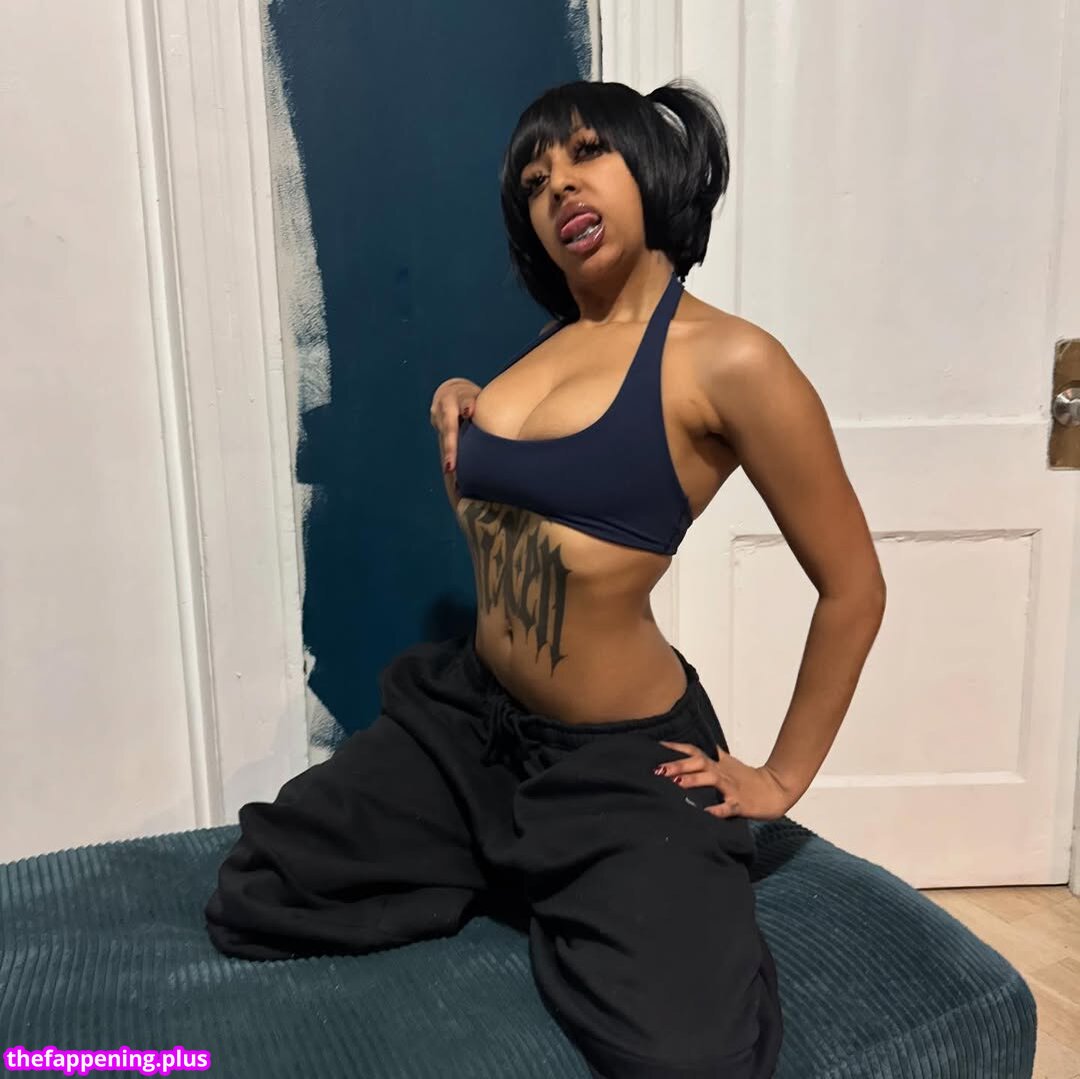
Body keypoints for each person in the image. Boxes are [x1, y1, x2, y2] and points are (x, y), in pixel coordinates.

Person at [205, 77, 886, 1079]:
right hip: (471, 723)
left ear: (649, 166)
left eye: (585, 153)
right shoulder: (548, 349)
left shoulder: (732, 360)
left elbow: (854, 586)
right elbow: (516, 531)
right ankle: (515, 856)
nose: (558, 183)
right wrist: (460, 403)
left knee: (691, 1058)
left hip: (614, 759)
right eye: (534, 179)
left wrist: (781, 777)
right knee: (261, 886)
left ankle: (568, 863)